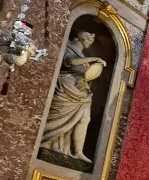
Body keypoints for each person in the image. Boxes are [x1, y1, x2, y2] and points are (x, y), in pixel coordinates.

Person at [40, 31, 107, 161]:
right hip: (66, 88)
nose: (90, 43)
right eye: (89, 40)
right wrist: (93, 59)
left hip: (81, 91)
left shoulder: (81, 54)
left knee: (85, 119)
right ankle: (48, 142)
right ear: (81, 38)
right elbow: (70, 61)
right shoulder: (68, 48)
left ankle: (78, 152)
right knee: (59, 116)